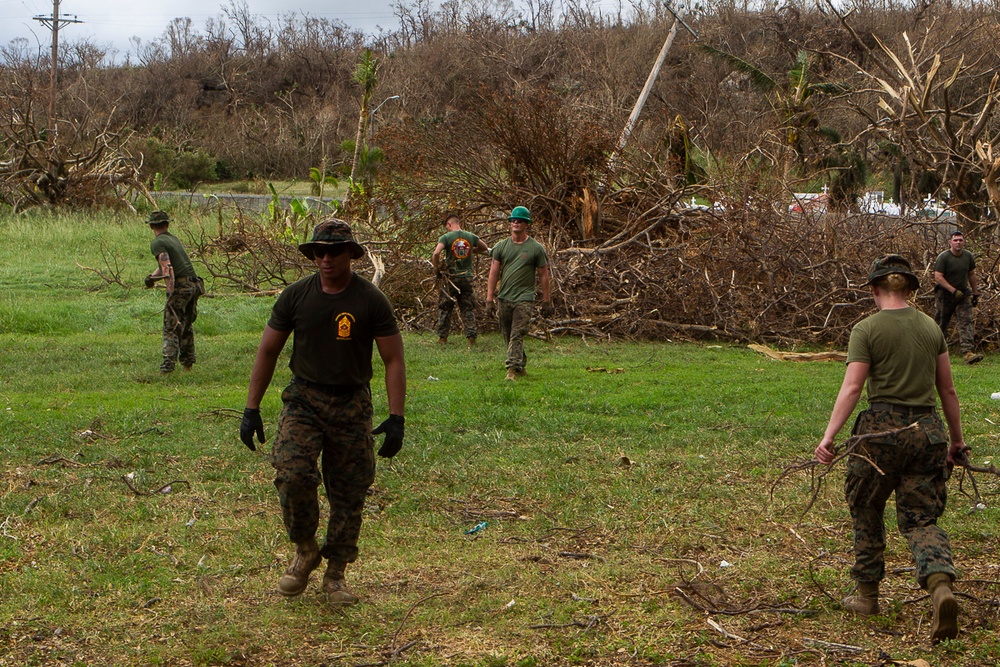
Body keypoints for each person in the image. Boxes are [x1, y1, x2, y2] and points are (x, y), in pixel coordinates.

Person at [239, 217, 406, 605]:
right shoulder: (296, 296)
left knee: (349, 492)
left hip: (351, 402)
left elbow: (393, 359)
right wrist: (251, 408)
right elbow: (268, 350)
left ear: (351, 253)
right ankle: (305, 549)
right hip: (304, 398)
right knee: (293, 473)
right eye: (319, 251)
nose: (326, 258)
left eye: (334, 251)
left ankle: (336, 575)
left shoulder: (369, 300)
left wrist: (396, 417)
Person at [815, 254, 968, 644]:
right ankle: (939, 586)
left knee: (866, 507)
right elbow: (947, 390)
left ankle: (867, 596)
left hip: (879, 434)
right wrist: (956, 441)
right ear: (913, 291)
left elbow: (852, 388)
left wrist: (829, 436)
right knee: (920, 518)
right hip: (927, 431)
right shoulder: (931, 326)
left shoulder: (866, 329)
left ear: (873, 290)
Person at [485, 206, 552, 381]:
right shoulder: (501, 247)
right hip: (504, 298)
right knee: (507, 334)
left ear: (526, 224)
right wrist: (489, 299)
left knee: (517, 333)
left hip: (524, 299)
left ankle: (511, 370)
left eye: (520, 220)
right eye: (513, 220)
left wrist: (546, 300)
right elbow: (493, 273)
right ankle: (520, 364)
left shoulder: (536, 248)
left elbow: (544, 274)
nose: (516, 223)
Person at [143, 210, 202, 374]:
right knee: (186, 326)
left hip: (181, 287)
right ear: (167, 224)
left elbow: (167, 269)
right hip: (194, 284)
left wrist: (170, 293)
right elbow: (169, 264)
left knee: (171, 326)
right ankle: (187, 364)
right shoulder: (172, 239)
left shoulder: (157, 243)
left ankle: (167, 368)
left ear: (151, 226)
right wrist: (152, 277)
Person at [431, 214, 489, 345]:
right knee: (467, 308)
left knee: (445, 307)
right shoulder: (470, 236)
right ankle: (471, 338)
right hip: (467, 277)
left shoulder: (446, 237)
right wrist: (471, 250)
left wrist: (436, 269)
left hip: (451, 278)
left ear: (449, 224)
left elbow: (436, 253)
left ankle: (442, 338)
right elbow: (484, 247)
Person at [933, 230, 982, 364]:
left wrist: (975, 292)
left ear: (964, 241)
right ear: (950, 242)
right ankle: (934, 351)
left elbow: (971, 274)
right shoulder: (944, 257)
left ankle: (968, 353)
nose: (958, 242)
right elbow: (938, 276)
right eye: (955, 240)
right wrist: (952, 290)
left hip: (963, 294)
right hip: (945, 295)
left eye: (960, 240)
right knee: (941, 323)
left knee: (966, 322)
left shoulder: (968, 256)